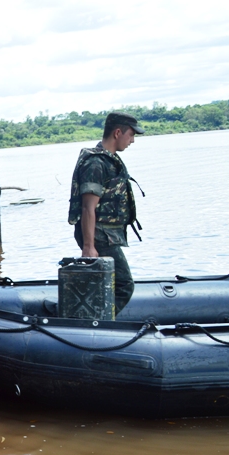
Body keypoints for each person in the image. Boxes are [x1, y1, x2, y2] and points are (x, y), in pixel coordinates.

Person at [68, 112, 145, 314]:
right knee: (124, 285)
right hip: (98, 235)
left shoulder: (108, 159)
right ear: (118, 132)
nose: (132, 140)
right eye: (131, 135)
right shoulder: (96, 163)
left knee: (106, 285)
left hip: (105, 235)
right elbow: (87, 207)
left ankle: (87, 320)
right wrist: (88, 246)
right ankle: (96, 325)